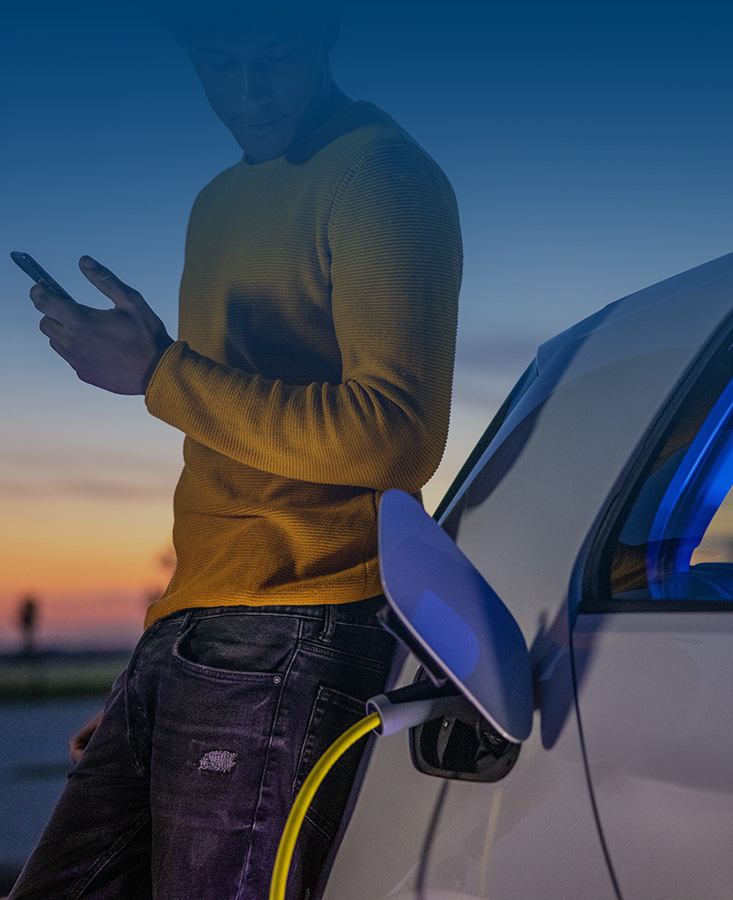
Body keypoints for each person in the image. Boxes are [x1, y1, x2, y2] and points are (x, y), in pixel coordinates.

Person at [10, 2, 462, 898]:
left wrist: (158, 373)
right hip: (201, 629)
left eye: (276, 56)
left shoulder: (381, 175)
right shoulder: (216, 203)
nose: (248, 91)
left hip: (303, 626)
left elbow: (395, 434)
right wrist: (159, 658)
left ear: (328, 33)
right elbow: (227, 467)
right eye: (219, 62)